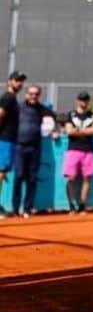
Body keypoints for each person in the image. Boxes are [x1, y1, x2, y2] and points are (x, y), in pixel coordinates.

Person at [13, 84, 52, 217]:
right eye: (31, 93)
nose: (33, 96)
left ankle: (27, 209)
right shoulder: (18, 108)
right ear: (26, 94)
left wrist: (55, 131)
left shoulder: (43, 109)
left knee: (31, 179)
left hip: (35, 147)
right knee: (18, 176)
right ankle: (15, 209)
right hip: (19, 146)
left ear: (39, 95)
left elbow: (54, 121)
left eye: (36, 94)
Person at [63, 92, 93, 213]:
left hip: (88, 150)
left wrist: (78, 130)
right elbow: (69, 131)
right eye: (81, 99)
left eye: (86, 100)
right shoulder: (71, 114)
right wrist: (86, 131)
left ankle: (82, 205)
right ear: (77, 101)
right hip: (73, 149)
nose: (83, 102)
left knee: (87, 178)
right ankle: (71, 205)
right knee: (70, 178)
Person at [0, 72, 25, 215]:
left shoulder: (12, 98)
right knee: (1, 172)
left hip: (8, 140)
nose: (19, 83)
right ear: (9, 81)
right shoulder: (8, 97)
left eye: (21, 81)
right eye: (17, 80)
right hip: (5, 140)